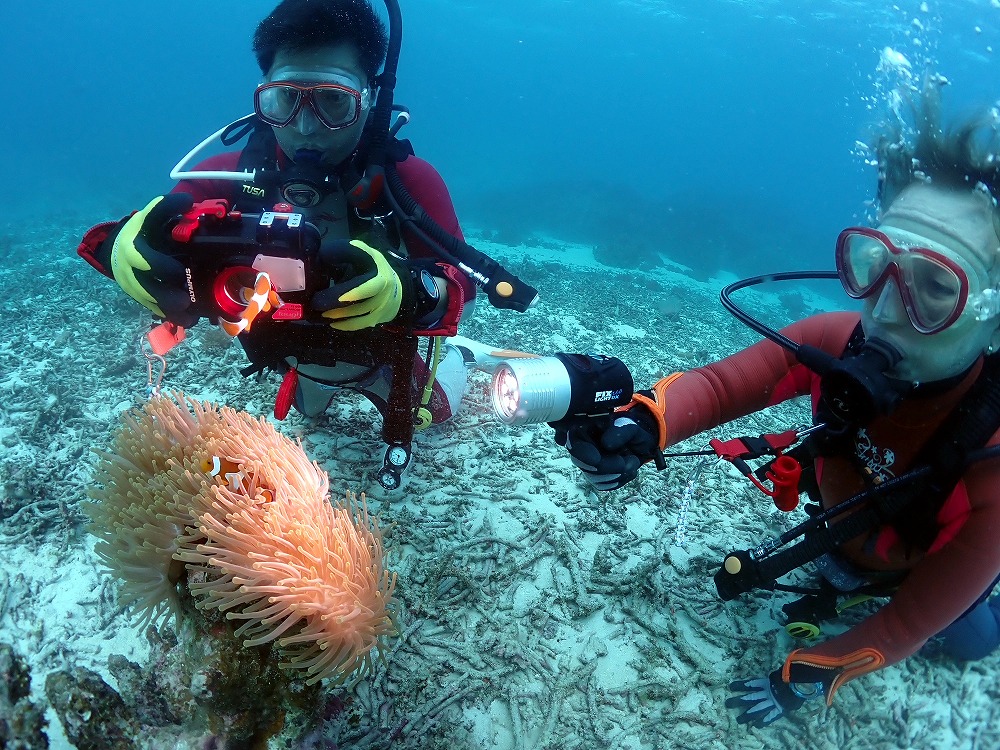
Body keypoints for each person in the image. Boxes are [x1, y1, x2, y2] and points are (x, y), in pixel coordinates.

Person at [554, 85, 1000, 726]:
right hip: (843, 534)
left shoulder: (993, 469)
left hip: (910, 570)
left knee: (970, 638)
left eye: (935, 286)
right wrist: (646, 422)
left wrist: (812, 673)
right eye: (875, 264)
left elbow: (906, 624)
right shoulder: (834, 339)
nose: (885, 308)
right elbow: (721, 387)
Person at [76, 0, 533, 488]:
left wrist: (405, 290)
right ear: (262, 95)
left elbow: (461, 286)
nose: (306, 127)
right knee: (309, 414)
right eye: (284, 100)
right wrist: (120, 245)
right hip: (290, 356)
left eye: (333, 100)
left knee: (437, 415)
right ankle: (313, 380)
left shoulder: (409, 182)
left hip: (383, 357)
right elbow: (139, 232)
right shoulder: (230, 175)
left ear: (370, 99)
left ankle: (461, 358)